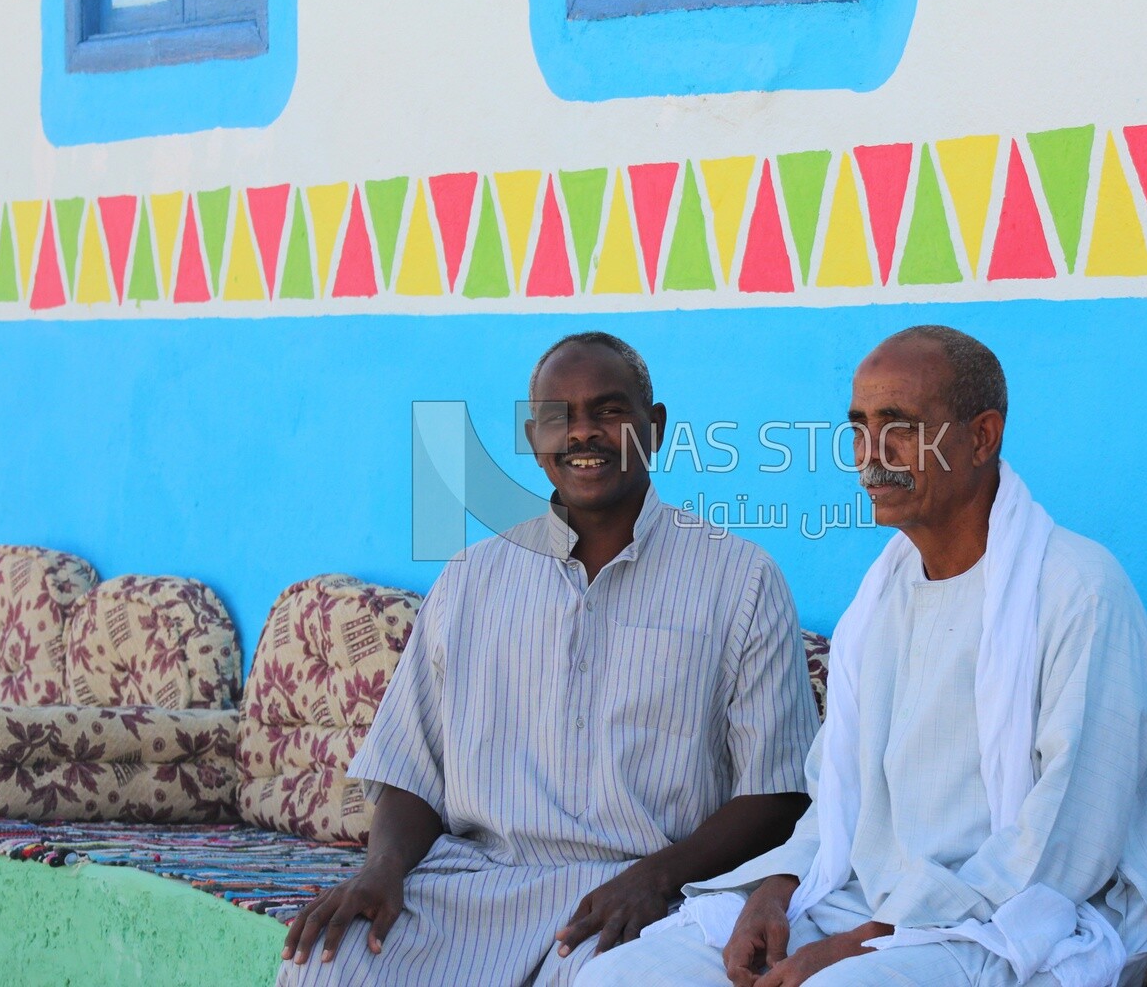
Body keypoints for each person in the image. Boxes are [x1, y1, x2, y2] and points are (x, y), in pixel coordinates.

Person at [577, 325, 1147, 987]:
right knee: (617, 977)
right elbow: (836, 806)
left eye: (899, 426)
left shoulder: (1079, 592)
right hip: (856, 904)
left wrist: (867, 944)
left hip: (1009, 924)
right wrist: (774, 890)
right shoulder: (881, 600)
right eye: (860, 427)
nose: (871, 455)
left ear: (981, 436)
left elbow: (1064, 849)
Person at [279, 332, 818, 986]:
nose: (584, 433)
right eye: (561, 416)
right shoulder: (472, 578)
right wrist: (379, 871)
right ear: (535, 438)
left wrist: (658, 875)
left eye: (610, 411)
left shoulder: (742, 579)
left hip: (648, 894)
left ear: (656, 428)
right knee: (325, 968)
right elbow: (411, 769)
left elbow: (778, 792)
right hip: (475, 887)